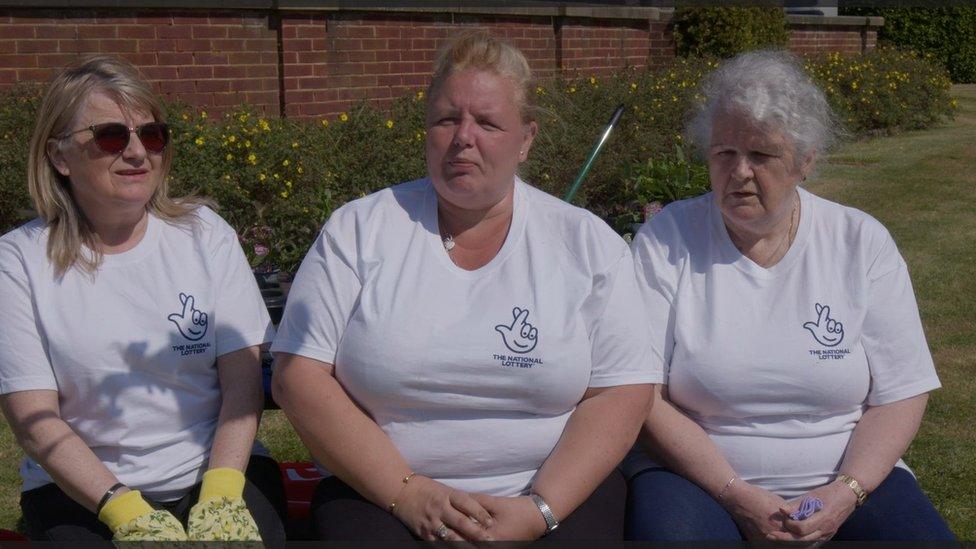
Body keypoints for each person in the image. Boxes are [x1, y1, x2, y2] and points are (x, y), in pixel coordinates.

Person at [271, 32, 658, 541]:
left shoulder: (587, 244)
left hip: (550, 497)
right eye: (446, 119)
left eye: (488, 122)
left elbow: (624, 390)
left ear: (526, 139)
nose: (462, 137)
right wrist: (406, 492)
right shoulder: (359, 230)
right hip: (381, 493)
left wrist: (539, 509)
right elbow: (298, 375)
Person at [624, 50, 955, 542]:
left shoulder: (858, 241)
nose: (739, 172)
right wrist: (735, 493)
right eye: (724, 153)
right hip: (695, 478)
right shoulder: (668, 239)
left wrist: (845, 493)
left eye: (760, 155)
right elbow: (641, 395)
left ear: (805, 161)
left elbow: (902, 392)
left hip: (847, 476)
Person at [0, 55, 285, 542]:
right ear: (59, 156)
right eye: (111, 136)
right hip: (83, 490)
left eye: (151, 135)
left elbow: (242, 377)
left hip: (220, 468)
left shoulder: (204, 233)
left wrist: (220, 488)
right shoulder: (19, 260)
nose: (137, 152)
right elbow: (33, 420)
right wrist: (124, 508)